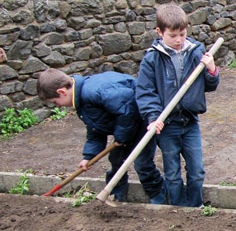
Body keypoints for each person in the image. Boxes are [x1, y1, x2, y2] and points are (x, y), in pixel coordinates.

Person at [37, 68, 166, 203]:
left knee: (142, 163)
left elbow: (128, 110)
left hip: (143, 122)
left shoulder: (95, 91)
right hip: (125, 127)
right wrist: (89, 156)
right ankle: (116, 196)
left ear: (61, 92)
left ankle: (158, 194)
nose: (57, 106)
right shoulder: (82, 100)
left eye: (55, 102)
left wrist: (122, 138)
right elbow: (96, 128)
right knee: (116, 160)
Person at [136, 4, 220, 207]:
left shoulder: (195, 51)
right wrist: (153, 117)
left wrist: (211, 69)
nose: (179, 40)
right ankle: (176, 209)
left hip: (190, 122)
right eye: (173, 35)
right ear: (159, 32)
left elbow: (210, 85)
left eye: (182, 34)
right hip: (167, 125)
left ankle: (196, 206)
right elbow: (146, 92)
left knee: (197, 170)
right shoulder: (152, 59)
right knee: (172, 174)